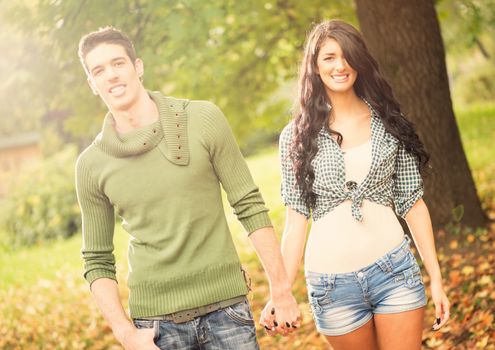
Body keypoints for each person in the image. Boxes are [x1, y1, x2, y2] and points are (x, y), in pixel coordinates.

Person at [75, 26, 300, 350]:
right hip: (157, 330)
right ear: (92, 84)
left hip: (227, 313)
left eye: (118, 63)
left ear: (138, 66)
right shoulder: (91, 165)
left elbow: (248, 204)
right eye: (99, 70)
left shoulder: (202, 118)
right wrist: (126, 334)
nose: (110, 75)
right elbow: (96, 259)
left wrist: (281, 289)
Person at [277, 20, 450, 350]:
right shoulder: (296, 138)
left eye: (347, 56)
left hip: (394, 274)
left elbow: (413, 204)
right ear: (314, 65)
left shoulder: (389, 123)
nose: (340, 66)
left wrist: (437, 279)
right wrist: (282, 291)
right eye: (328, 57)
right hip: (331, 287)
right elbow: (295, 222)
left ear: (360, 61)